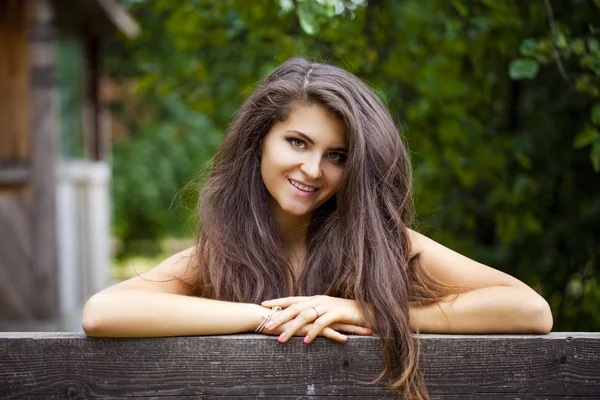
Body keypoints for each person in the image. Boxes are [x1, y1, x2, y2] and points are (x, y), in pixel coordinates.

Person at [82, 57, 553, 399]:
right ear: (259, 142)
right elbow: (103, 313)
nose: (312, 169)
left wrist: (362, 311)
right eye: (297, 142)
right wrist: (266, 317)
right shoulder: (224, 251)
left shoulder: (385, 245)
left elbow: (529, 311)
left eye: (337, 156)